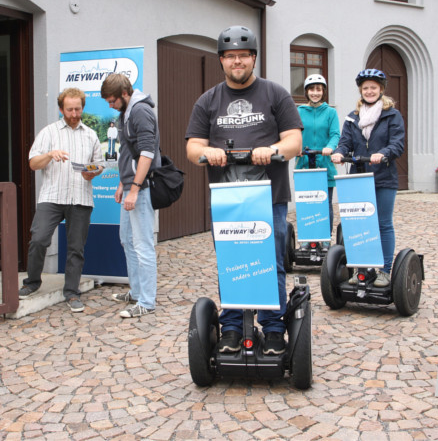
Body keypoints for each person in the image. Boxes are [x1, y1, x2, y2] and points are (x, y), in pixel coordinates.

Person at [185, 25, 303, 356]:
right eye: (230, 56)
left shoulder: (275, 94)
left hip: (270, 196)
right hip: (227, 199)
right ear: (222, 61)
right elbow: (193, 147)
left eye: (243, 56)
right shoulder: (208, 101)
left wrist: (273, 148)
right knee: (231, 260)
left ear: (253, 58)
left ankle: (275, 327)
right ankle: (233, 326)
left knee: (273, 261)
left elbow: (294, 140)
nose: (237, 62)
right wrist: (206, 153)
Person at [18, 88, 104, 313]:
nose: (75, 113)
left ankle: (72, 293)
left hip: (80, 197)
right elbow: (33, 163)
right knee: (39, 239)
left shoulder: (91, 134)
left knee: (76, 248)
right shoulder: (48, 132)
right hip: (52, 197)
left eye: (78, 109)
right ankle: (33, 282)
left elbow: (100, 163)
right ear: (61, 109)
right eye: (70, 109)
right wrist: (49, 155)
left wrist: (92, 172)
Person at [331, 68, 405, 287]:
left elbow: (397, 143)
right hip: (359, 178)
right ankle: (362, 268)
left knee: (382, 224)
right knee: (359, 223)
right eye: (366, 88)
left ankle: (383, 270)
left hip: (383, 177)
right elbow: (345, 142)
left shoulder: (392, 115)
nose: (370, 91)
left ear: (381, 89)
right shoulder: (352, 117)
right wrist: (339, 152)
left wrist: (383, 153)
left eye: (373, 87)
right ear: (360, 91)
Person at [101, 73, 161, 318]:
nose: (110, 105)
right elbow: (128, 152)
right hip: (130, 184)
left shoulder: (140, 112)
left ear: (124, 94)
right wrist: (121, 183)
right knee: (127, 238)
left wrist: (134, 188)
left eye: (112, 101)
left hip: (142, 188)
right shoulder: (125, 113)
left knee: (143, 244)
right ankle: (136, 291)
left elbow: (147, 152)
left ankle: (147, 302)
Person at [295, 74, 340, 235]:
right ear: (306, 92)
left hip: (325, 163)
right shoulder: (298, 111)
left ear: (323, 92)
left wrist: (329, 147)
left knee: (325, 203)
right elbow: (294, 132)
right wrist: (296, 147)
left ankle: (325, 238)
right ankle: (307, 238)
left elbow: (335, 134)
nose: (315, 93)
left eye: (319, 89)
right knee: (306, 203)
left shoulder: (330, 112)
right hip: (304, 163)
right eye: (312, 89)